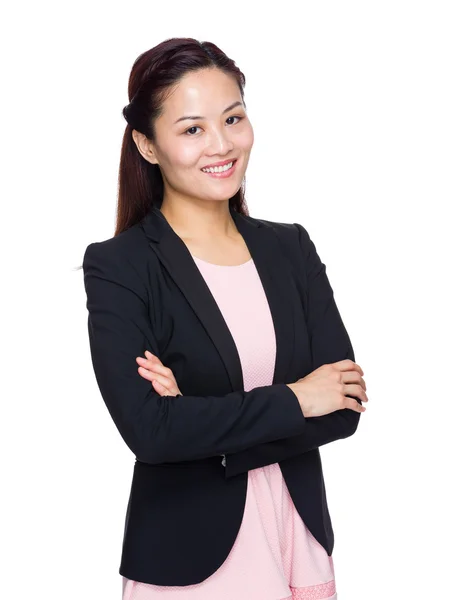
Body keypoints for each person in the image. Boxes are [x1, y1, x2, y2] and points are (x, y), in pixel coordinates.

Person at [82, 37, 368, 600]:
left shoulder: (291, 249)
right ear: (147, 143)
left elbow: (345, 407)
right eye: (192, 129)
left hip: (299, 548)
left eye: (233, 118)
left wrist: (198, 419)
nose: (222, 144)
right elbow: (149, 432)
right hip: (189, 560)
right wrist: (295, 400)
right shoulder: (121, 266)